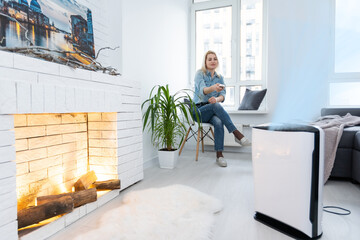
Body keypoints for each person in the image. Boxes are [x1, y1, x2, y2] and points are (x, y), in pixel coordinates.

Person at [192, 50, 251, 167]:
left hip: (212, 109)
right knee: (215, 106)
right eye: (210, 59)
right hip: (198, 111)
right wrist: (213, 88)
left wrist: (216, 99)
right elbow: (203, 91)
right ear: (205, 62)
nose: (213, 61)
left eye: (215, 59)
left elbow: (222, 96)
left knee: (219, 122)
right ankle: (236, 134)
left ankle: (219, 155)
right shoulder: (200, 74)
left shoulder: (220, 77)